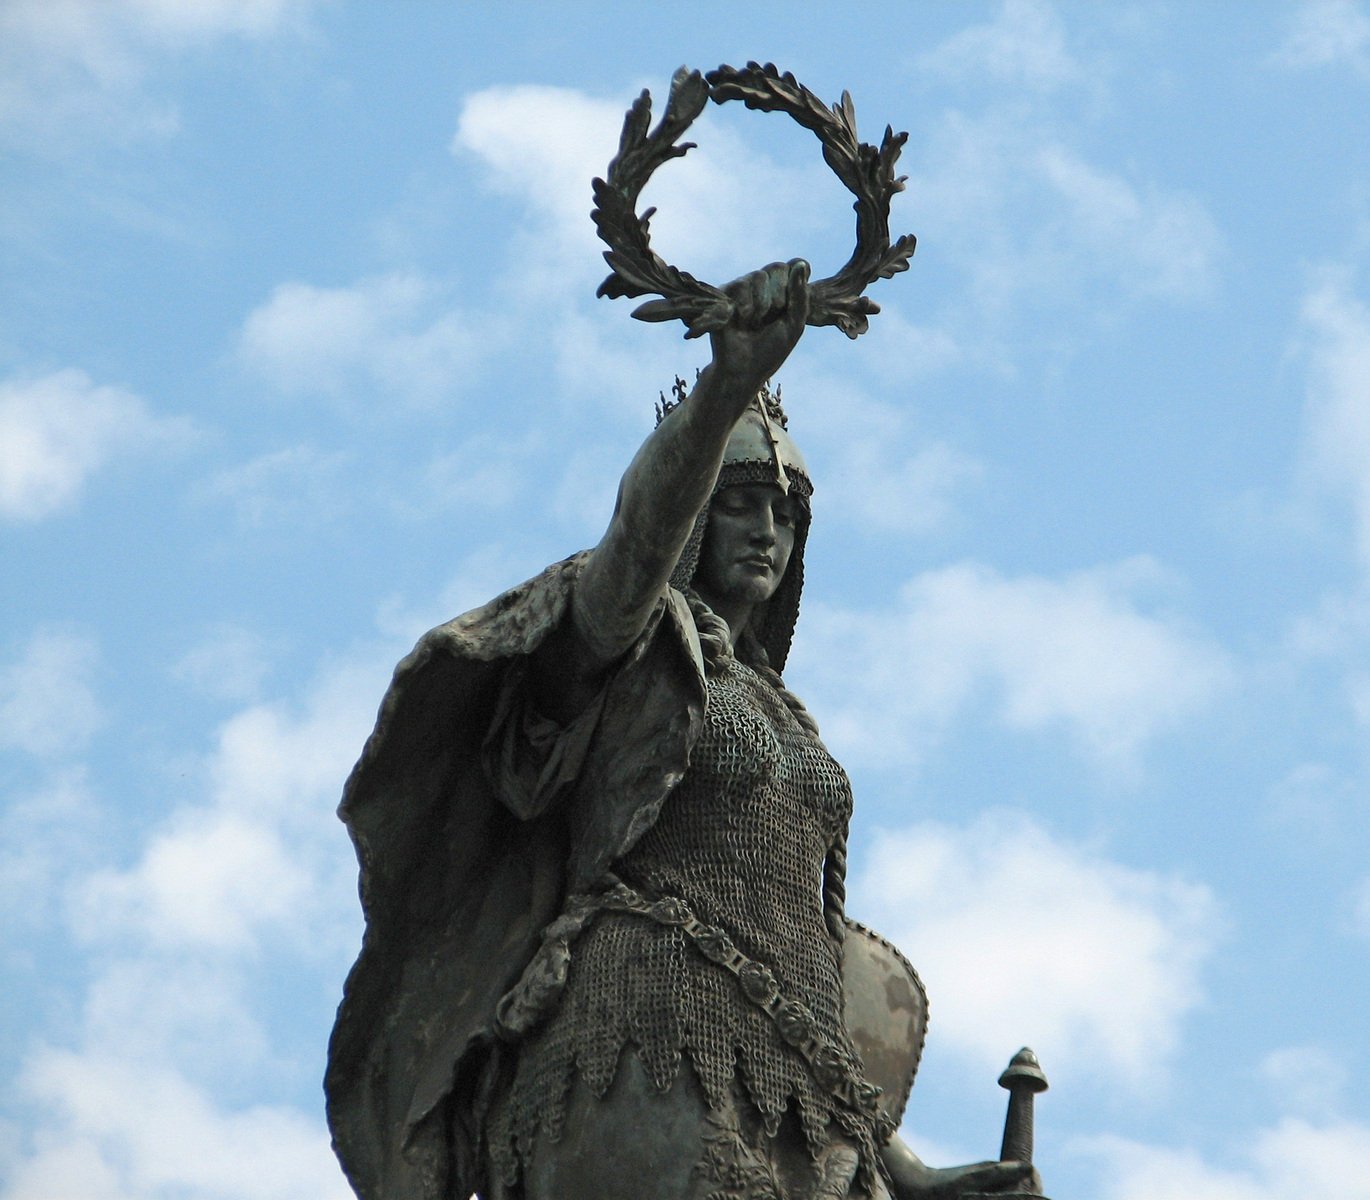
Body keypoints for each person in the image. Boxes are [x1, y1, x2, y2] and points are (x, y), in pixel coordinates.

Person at [326, 261, 1036, 1200]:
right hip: (643, 1028)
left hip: (804, 1105)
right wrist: (724, 391)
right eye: (741, 503)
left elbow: (804, 961)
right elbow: (633, 546)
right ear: (696, 512)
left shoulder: (790, 718)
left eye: (786, 515)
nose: (768, 533)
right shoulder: (631, 643)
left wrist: (906, 1170)